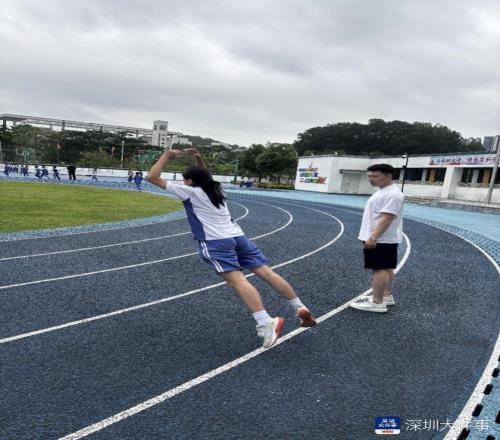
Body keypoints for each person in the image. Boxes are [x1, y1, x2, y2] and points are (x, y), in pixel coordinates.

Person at [147, 148, 316, 348]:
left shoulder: (190, 192)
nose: (183, 183)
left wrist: (166, 156)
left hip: (215, 241)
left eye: (185, 180)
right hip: (238, 236)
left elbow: (152, 177)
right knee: (267, 273)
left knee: (238, 281)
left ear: (190, 181)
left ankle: (265, 322)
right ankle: (299, 306)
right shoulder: (217, 189)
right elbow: (207, 177)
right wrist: (199, 158)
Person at [350, 164, 405, 313]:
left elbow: (387, 218)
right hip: (383, 238)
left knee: (379, 269)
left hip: (380, 239)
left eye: (375, 176)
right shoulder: (385, 191)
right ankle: (385, 296)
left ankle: (377, 302)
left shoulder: (392, 194)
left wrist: (373, 237)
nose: (371, 179)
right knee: (386, 267)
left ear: (388, 176)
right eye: (369, 176)